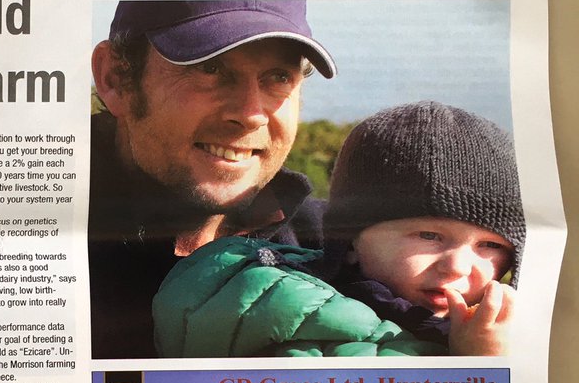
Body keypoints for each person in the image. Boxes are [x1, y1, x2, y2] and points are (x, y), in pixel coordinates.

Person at [153, 101, 523, 358]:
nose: (458, 267)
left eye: (489, 244)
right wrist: (480, 368)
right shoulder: (307, 331)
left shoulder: (505, 325)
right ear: (349, 241)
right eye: (429, 236)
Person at [88, 0, 337, 358]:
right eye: (211, 68)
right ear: (116, 79)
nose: (251, 115)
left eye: (279, 77)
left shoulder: (337, 244)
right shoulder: (31, 242)